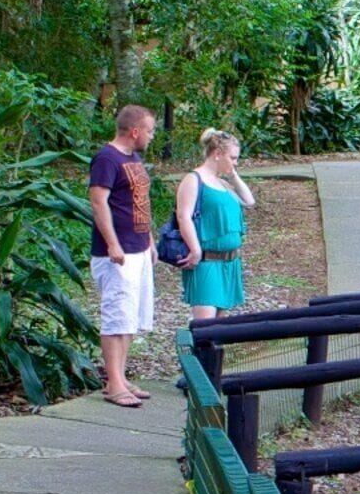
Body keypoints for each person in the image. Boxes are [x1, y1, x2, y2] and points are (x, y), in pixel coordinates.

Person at [86, 103, 158, 407]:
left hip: (139, 248)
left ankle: (122, 376)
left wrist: (150, 240)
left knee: (131, 316)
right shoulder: (106, 158)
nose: (152, 136)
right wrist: (113, 243)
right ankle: (113, 383)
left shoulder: (133, 158)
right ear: (135, 131)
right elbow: (99, 202)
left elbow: (140, 201)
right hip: (117, 253)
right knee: (116, 316)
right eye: (151, 130)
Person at [174, 127, 256, 322]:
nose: (235, 163)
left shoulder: (222, 183)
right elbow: (183, 216)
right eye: (233, 158)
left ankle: (214, 355)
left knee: (219, 327)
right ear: (217, 154)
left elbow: (249, 201)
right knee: (206, 326)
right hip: (207, 261)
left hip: (228, 261)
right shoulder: (194, 179)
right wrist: (195, 249)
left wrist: (233, 175)